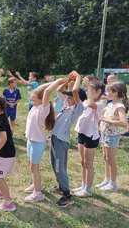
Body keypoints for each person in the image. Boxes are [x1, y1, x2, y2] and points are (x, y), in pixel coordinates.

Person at [24, 78, 66, 202]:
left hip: (37, 142)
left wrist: (58, 82)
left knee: (34, 167)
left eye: (33, 99)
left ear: (42, 100)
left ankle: (38, 193)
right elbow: (42, 88)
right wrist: (52, 84)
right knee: (31, 165)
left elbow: (46, 91)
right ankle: (35, 184)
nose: (31, 101)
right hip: (30, 140)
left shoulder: (44, 108)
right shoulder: (35, 106)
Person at [50, 71, 86, 207]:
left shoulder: (78, 108)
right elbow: (60, 89)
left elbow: (75, 90)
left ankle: (67, 195)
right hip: (54, 137)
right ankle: (60, 185)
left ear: (77, 99)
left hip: (61, 141)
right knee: (54, 164)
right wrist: (67, 80)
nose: (68, 97)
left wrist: (78, 77)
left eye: (71, 96)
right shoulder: (67, 105)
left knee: (60, 167)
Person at [73, 78, 105, 198]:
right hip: (82, 133)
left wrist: (89, 87)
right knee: (83, 162)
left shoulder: (100, 104)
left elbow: (92, 104)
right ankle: (83, 185)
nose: (88, 92)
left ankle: (88, 189)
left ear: (99, 93)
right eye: (88, 90)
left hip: (91, 136)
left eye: (92, 90)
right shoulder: (86, 101)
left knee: (88, 163)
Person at [97, 81, 129, 192]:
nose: (106, 93)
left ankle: (113, 184)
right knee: (105, 158)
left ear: (115, 93)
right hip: (105, 134)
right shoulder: (110, 104)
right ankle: (107, 180)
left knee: (110, 160)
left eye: (108, 91)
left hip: (112, 136)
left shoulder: (119, 106)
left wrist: (106, 119)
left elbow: (124, 123)